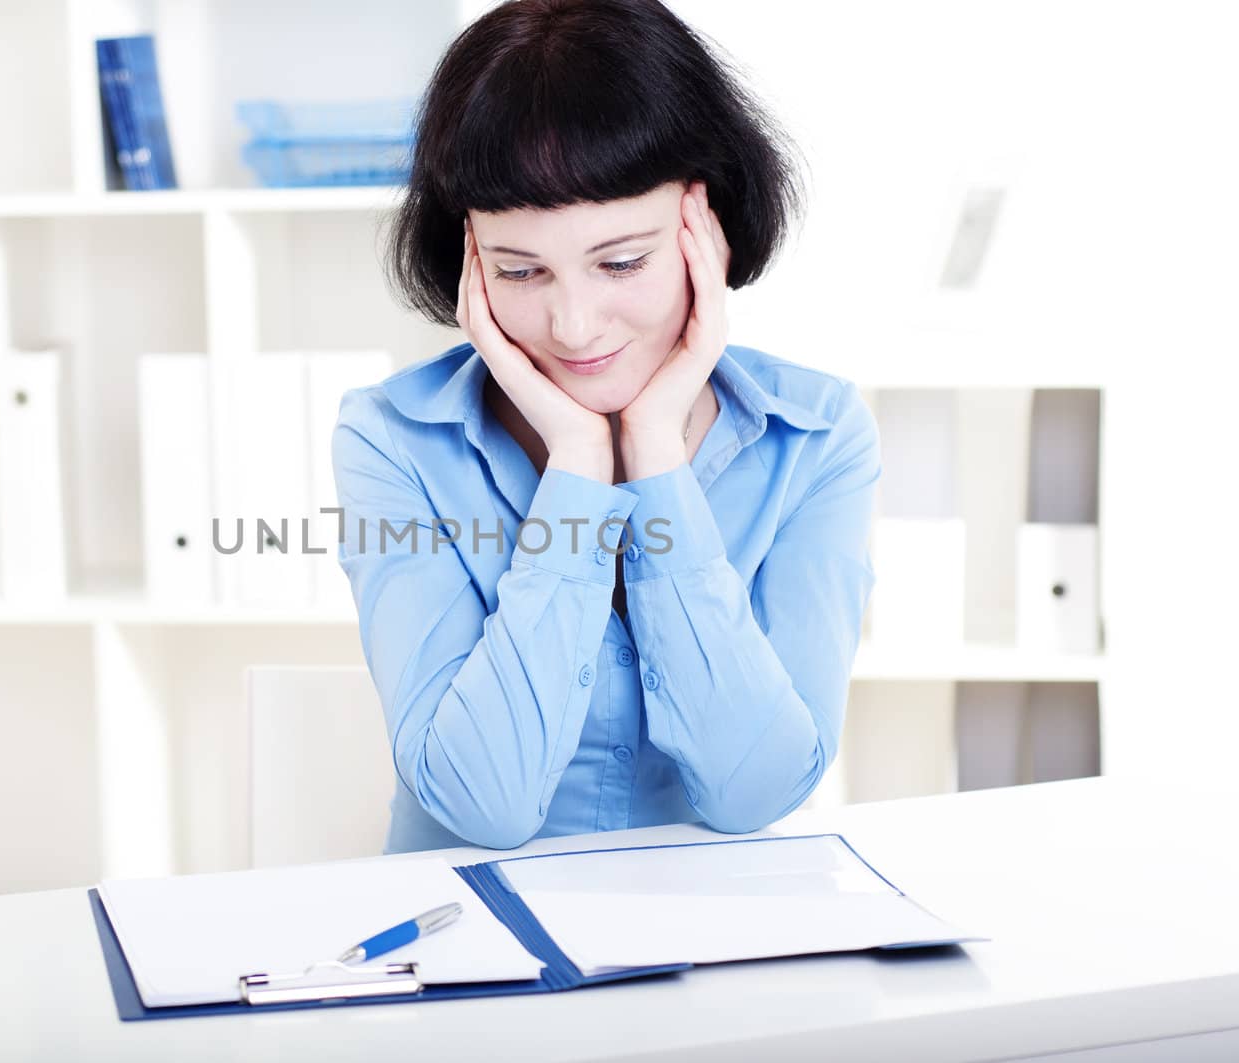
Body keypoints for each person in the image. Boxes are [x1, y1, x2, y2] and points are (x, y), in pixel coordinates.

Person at [332, 0, 881, 852]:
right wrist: (581, 467)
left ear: (707, 226)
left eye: (622, 261)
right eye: (520, 271)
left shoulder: (816, 436)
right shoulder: (392, 439)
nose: (574, 325)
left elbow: (757, 791)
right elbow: (485, 806)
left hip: (715, 954)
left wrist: (655, 452)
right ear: (468, 254)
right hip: (477, 947)